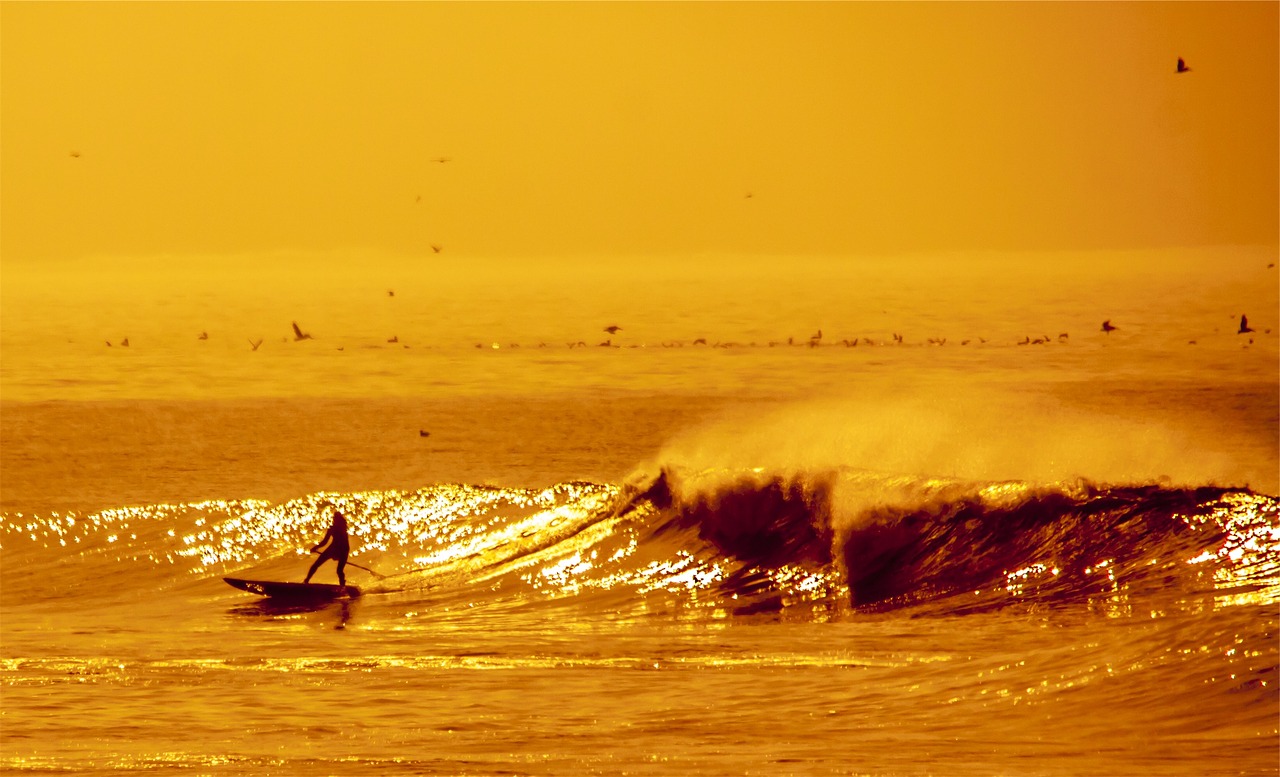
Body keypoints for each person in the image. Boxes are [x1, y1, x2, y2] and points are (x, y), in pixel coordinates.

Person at [305, 511, 351, 586]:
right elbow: (325, 542)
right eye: (334, 519)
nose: (334, 521)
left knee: (339, 570)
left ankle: (342, 586)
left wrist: (340, 555)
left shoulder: (342, 529)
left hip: (343, 550)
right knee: (316, 565)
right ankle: (306, 581)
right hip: (333, 549)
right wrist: (316, 547)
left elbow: (344, 544)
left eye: (335, 519)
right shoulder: (333, 529)